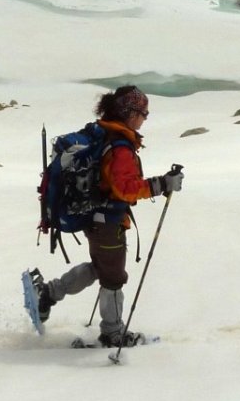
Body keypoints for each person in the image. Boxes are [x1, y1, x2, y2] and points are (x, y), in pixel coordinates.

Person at [29, 85, 183, 346]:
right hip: (108, 222)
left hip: (98, 220)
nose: (145, 118)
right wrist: (161, 184)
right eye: (143, 113)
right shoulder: (120, 147)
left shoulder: (107, 136)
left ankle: (49, 293)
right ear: (130, 113)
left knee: (100, 268)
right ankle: (112, 332)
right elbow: (125, 188)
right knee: (113, 278)